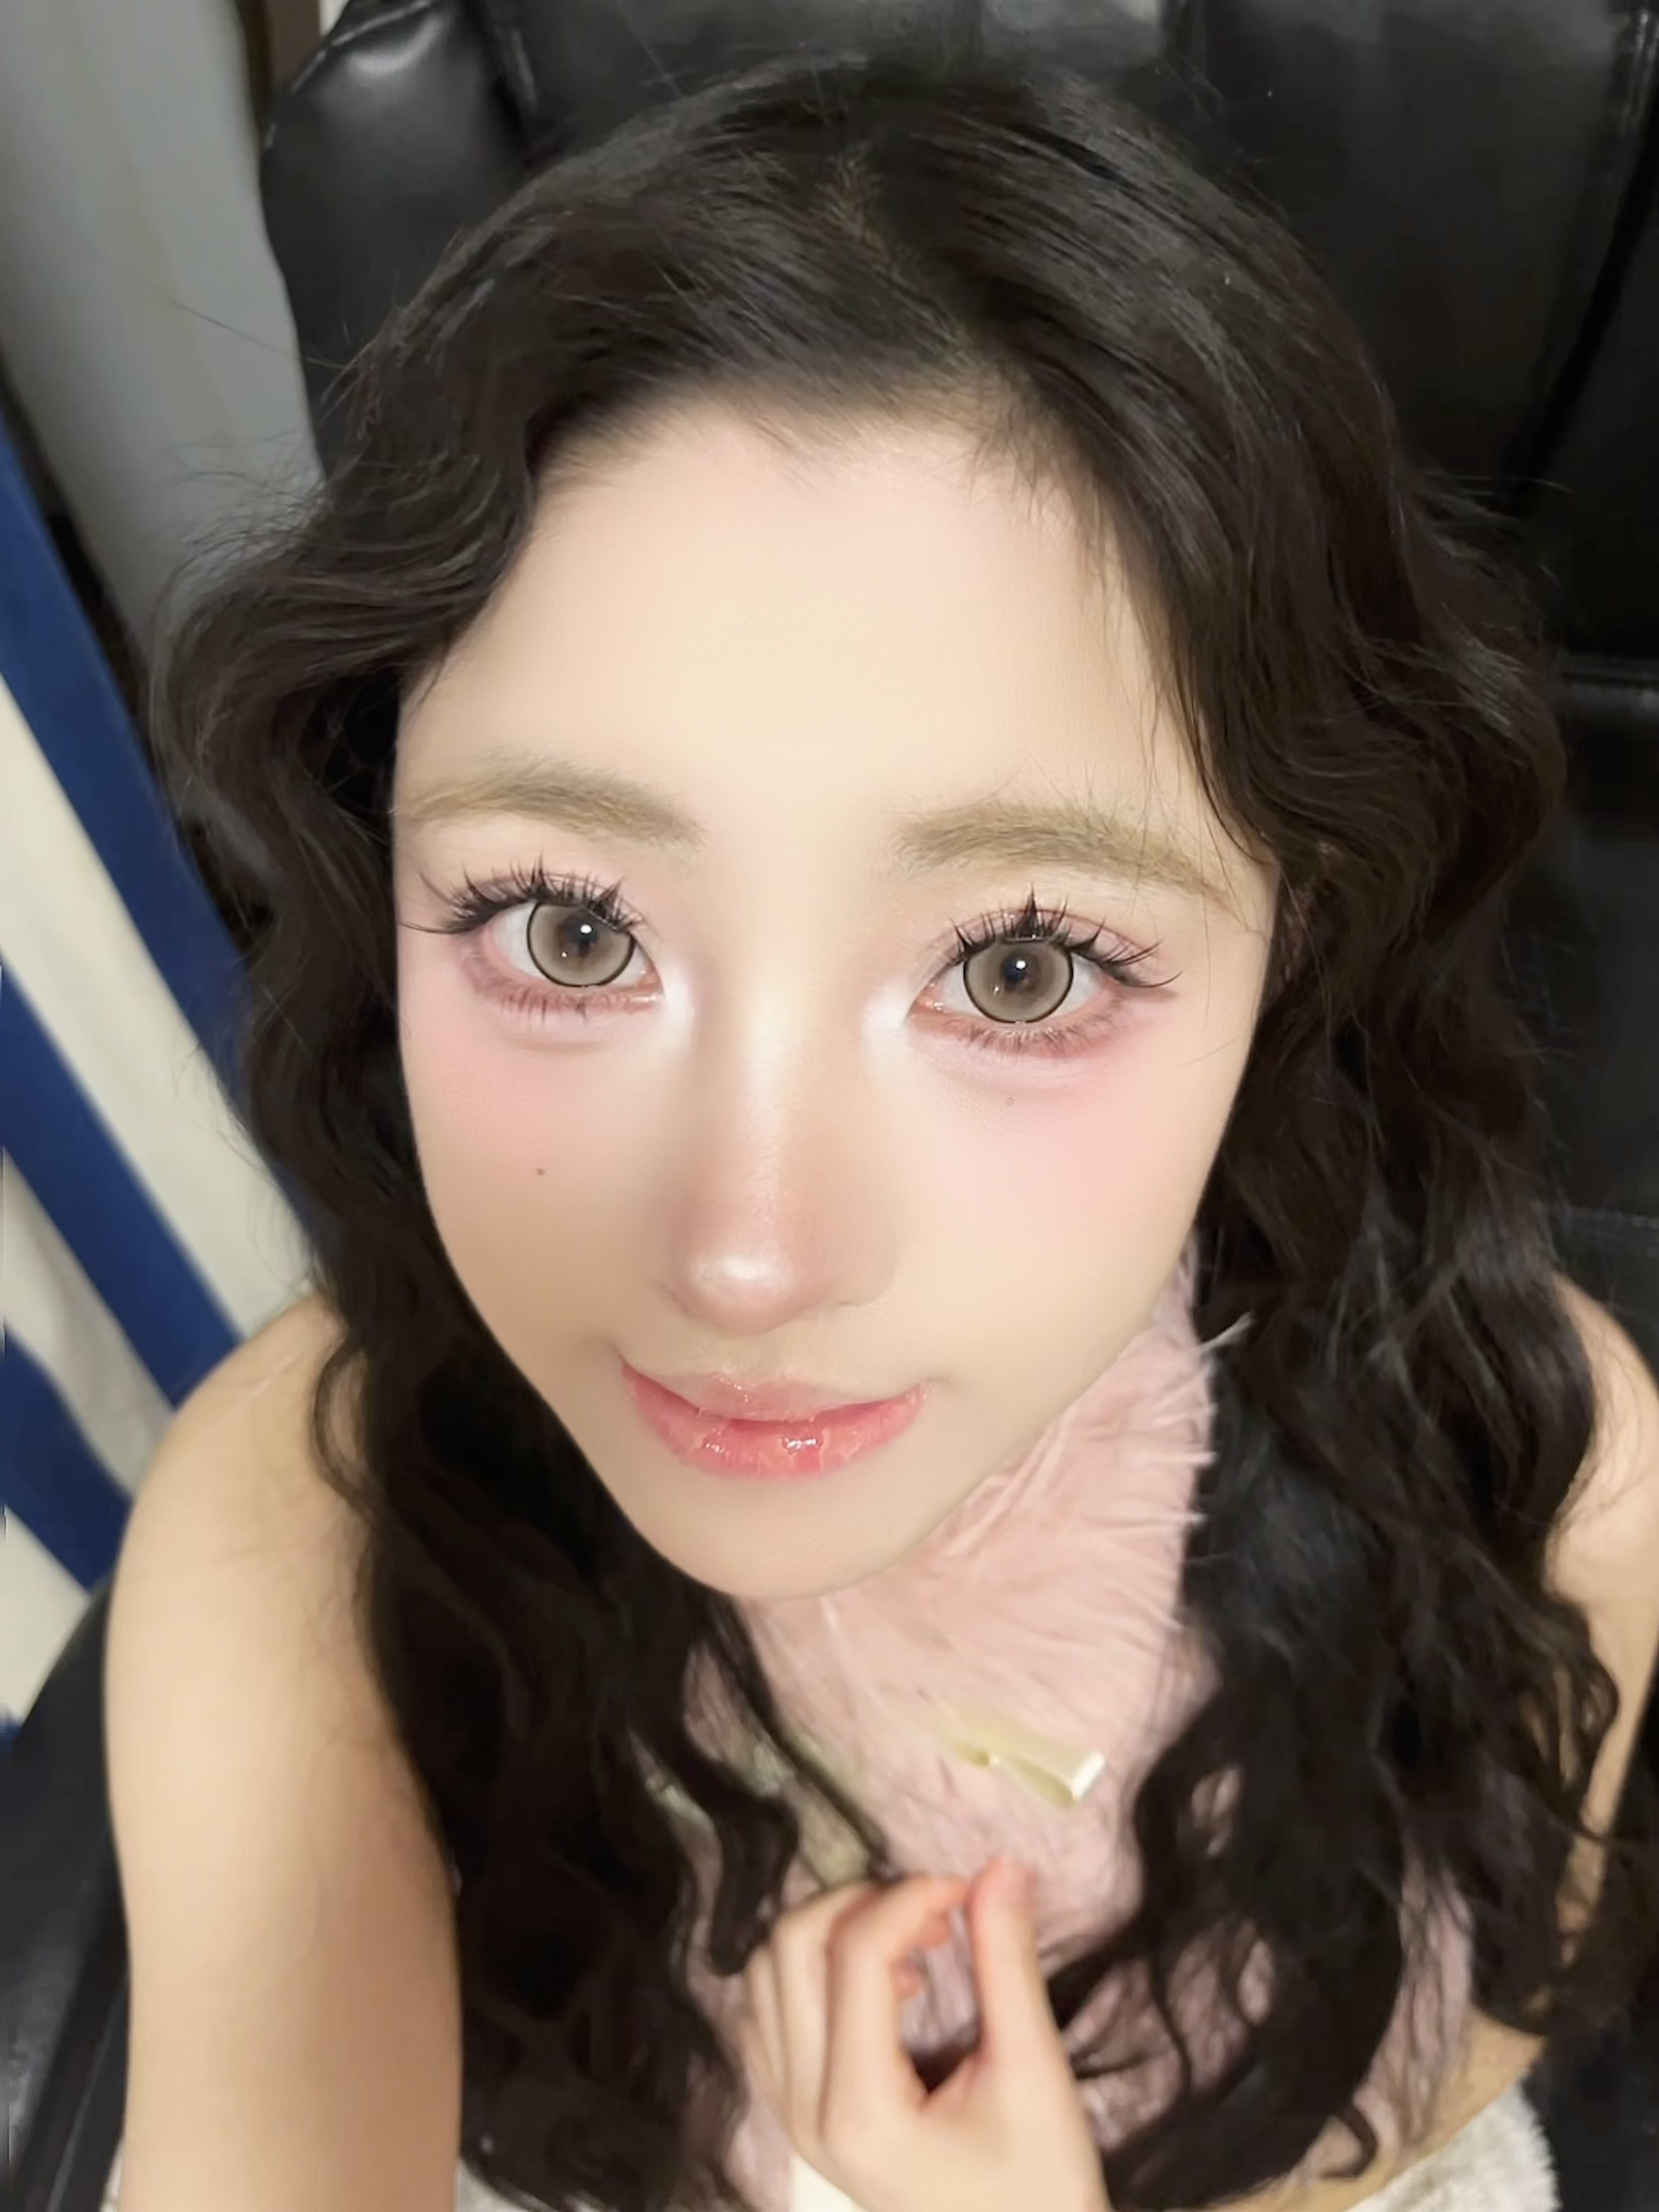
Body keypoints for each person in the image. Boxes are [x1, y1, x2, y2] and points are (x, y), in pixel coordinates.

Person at [103, 41, 1659, 2212]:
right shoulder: (318, 1527)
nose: (744, 1260)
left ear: (1291, 946)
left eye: (1017, 970)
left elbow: (1464, 2031)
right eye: (569, 928)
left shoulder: (1533, 1465)